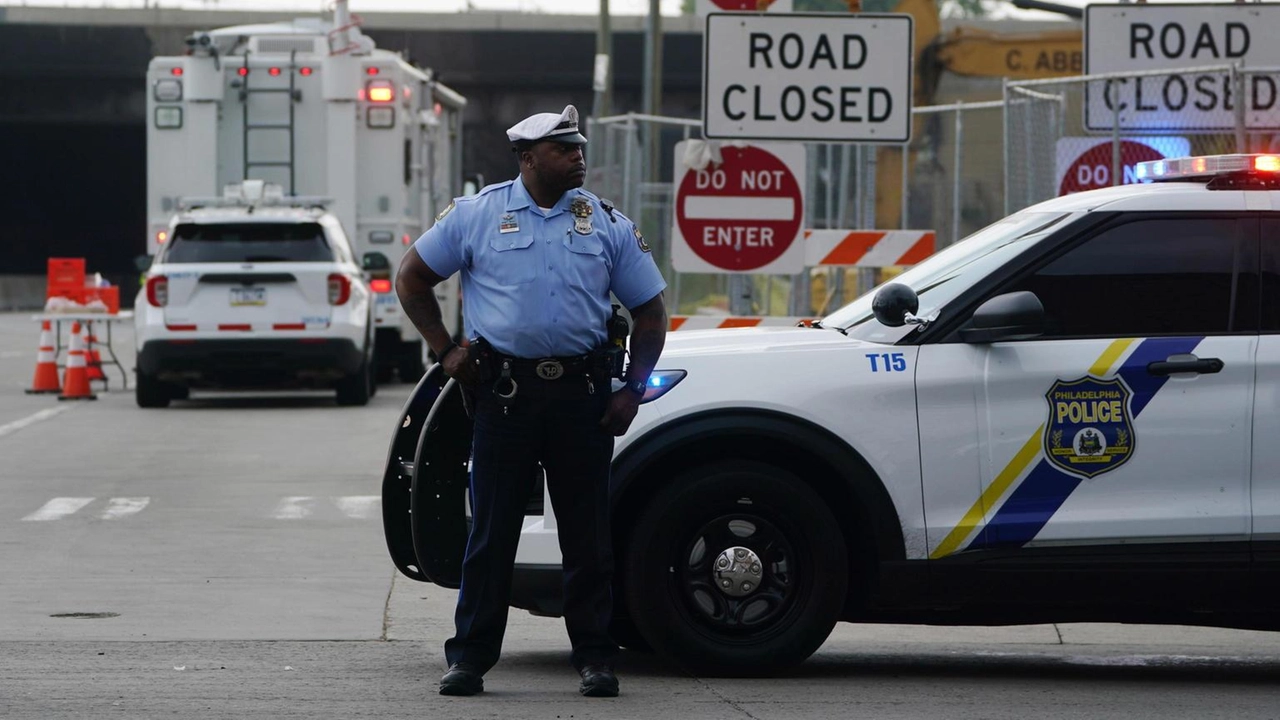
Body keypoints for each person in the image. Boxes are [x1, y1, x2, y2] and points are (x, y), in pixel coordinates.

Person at [395, 104, 668, 698]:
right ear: (528, 158)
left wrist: (633, 392)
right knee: (491, 535)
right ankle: (469, 658)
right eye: (564, 149)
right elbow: (411, 278)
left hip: (584, 399)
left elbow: (650, 311)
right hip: (506, 398)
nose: (578, 157)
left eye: (579, 147)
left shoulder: (605, 222)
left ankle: (596, 658)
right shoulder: (477, 215)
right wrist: (445, 352)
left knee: (587, 538)